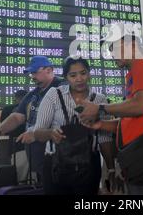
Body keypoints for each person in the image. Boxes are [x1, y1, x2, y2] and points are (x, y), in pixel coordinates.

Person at [79, 24, 143, 195]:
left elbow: (140, 106)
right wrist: (100, 125)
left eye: (113, 47)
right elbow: (128, 121)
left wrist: (100, 108)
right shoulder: (132, 75)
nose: (111, 54)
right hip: (138, 160)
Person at [18, 56, 115, 195]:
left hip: (88, 165)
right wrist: (51, 133)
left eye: (83, 73)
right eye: (73, 75)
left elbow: (104, 138)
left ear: (89, 74)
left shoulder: (100, 100)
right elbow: (38, 132)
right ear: (66, 77)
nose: (79, 79)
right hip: (56, 164)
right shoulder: (54, 95)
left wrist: (111, 169)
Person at [0, 56, 64, 182]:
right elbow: (17, 117)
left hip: (60, 156)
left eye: (35, 72)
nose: (32, 76)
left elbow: (66, 119)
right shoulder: (33, 94)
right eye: (31, 73)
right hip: (38, 158)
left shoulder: (63, 88)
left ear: (49, 70)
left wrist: (35, 133)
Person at [0, 89, 28, 182]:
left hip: (16, 147)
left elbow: (3, 129)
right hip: (34, 146)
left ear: (16, 98)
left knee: (19, 178)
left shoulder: (7, 109)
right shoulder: (33, 108)